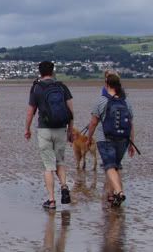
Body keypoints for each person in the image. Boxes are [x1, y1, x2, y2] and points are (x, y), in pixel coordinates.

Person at [25, 61, 74, 210]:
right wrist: (70, 130)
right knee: (60, 161)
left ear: (40, 72)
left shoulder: (36, 88)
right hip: (61, 128)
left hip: (44, 129)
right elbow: (71, 112)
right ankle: (64, 186)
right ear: (52, 71)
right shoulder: (62, 87)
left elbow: (30, 111)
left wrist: (27, 129)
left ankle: (51, 200)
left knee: (48, 166)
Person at [85, 72, 136, 207]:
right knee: (116, 166)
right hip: (123, 139)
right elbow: (130, 124)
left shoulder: (101, 100)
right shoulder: (126, 102)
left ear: (106, 84)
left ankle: (119, 192)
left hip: (105, 138)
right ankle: (113, 195)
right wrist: (131, 142)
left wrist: (89, 138)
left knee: (109, 166)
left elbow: (93, 123)